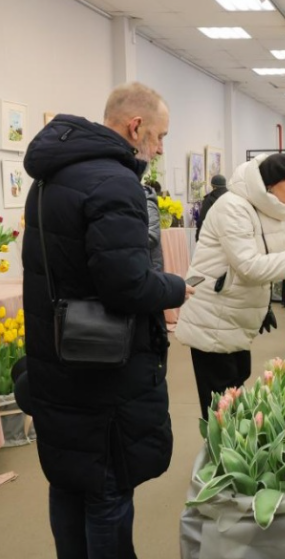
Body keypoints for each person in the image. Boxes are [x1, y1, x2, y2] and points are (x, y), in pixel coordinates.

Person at [21, 82, 192, 559]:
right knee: (107, 488)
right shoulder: (114, 183)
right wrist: (176, 287)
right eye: (159, 136)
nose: (160, 148)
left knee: (69, 481)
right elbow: (127, 285)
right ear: (135, 127)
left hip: (56, 358)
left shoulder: (49, 179)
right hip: (102, 369)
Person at [175, 153, 285, 419]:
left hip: (238, 316)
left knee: (236, 389)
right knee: (221, 406)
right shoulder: (233, 207)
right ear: (269, 185)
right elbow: (249, 266)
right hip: (214, 317)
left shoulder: (275, 209)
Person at [195, 173, 228, 241]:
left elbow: (202, 220)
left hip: (212, 237)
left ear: (213, 186)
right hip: (230, 236)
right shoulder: (233, 198)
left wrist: (198, 237)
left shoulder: (209, 199)